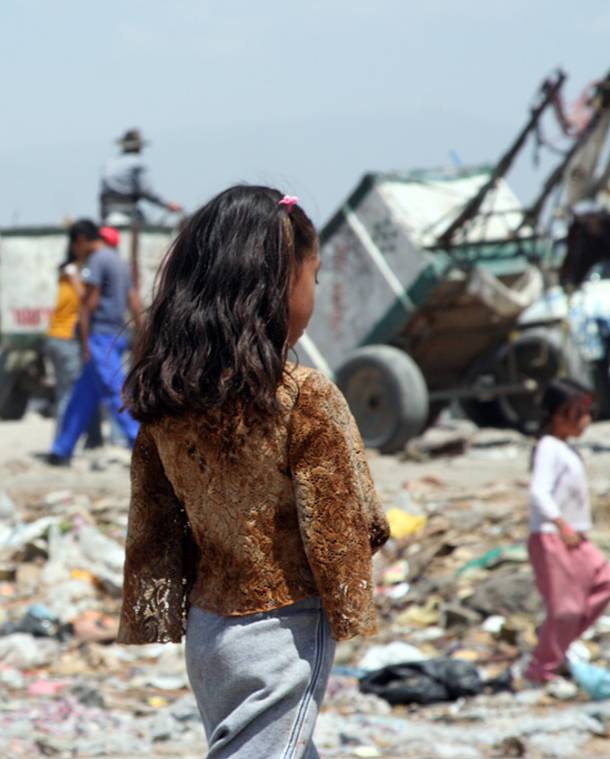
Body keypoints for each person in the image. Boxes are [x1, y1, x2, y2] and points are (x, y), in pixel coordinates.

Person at [118, 186, 388, 758]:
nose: (314, 293)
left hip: (210, 632)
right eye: (312, 277)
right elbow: (349, 525)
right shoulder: (303, 398)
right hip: (285, 629)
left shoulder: (166, 403)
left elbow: (153, 525)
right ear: (279, 284)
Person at [524, 378, 610, 685]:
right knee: (565, 610)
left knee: (607, 582)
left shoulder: (566, 449)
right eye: (578, 413)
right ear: (558, 415)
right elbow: (539, 492)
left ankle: (553, 642)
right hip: (554, 537)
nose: (586, 421)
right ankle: (541, 669)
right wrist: (561, 523)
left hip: (576, 537)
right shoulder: (548, 447)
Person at [47, 220, 143, 465]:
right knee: (84, 394)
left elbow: (88, 305)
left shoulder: (97, 261)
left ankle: (140, 443)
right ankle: (61, 449)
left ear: (80, 239)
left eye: (73, 244)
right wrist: (143, 331)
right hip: (117, 334)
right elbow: (134, 301)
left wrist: (86, 343)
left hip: (101, 336)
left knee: (114, 390)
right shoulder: (120, 262)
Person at [44, 241, 104, 450]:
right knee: (69, 395)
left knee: (88, 388)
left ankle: (94, 439)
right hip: (66, 338)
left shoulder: (70, 272)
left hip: (61, 338)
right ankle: (60, 447)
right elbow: (85, 300)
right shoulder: (73, 275)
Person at [99, 128, 181, 226]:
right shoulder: (137, 163)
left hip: (106, 211)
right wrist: (167, 205)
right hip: (127, 211)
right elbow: (147, 191)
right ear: (139, 147)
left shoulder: (110, 162)